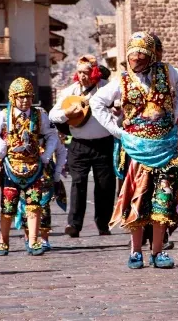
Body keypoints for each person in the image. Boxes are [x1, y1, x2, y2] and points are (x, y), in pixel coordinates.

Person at [91, 31, 178, 270]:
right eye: (132, 54)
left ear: (150, 56)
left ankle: (157, 252)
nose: (135, 58)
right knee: (137, 200)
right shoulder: (122, 81)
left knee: (163, 200)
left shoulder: (169, 74)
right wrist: (118, 131)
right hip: (137, 151)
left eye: (141, 54)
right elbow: (96, 102)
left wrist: (174, 112)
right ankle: (135, 251)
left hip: (166, 148)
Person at [0, 78, 59, 256]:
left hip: (34, 167)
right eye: (20, 97)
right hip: (11, 167)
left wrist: (46, 155)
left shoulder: (39, 115)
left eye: (28, 97)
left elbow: (52, 134)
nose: (25, 101)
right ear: (13, 97)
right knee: (8, 205)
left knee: (34, 204)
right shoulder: (4, 115)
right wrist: (0, 145)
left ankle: (33, 241)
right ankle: (3, 240)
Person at [49, 54, 115, 238]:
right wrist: (67, 112)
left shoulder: (107, 90)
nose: (82, 76)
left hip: (104, 143)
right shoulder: (70, 92)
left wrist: (117, 111)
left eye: (86, 72)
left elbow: (121, 109)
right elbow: (53, 115)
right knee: (78, 183)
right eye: (79, 73)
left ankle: (103, 224)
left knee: (105, 185)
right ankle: (74, 224)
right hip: (79, 145)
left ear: (94, 72)